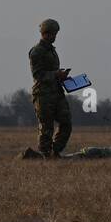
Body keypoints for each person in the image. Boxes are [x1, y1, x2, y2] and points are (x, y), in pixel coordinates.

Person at [29, 18, 71, 159]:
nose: (55, 37)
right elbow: (38, 74)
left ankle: (55, 152)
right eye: (53, 34)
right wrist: (56, 74)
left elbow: (52, 72)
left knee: (66, 123)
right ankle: (45, 156)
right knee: (46, 128)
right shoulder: (36, 52)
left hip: (57, 92)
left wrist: (62, 76)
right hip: (43, 95)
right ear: (45, 33)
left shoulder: (52, 50)